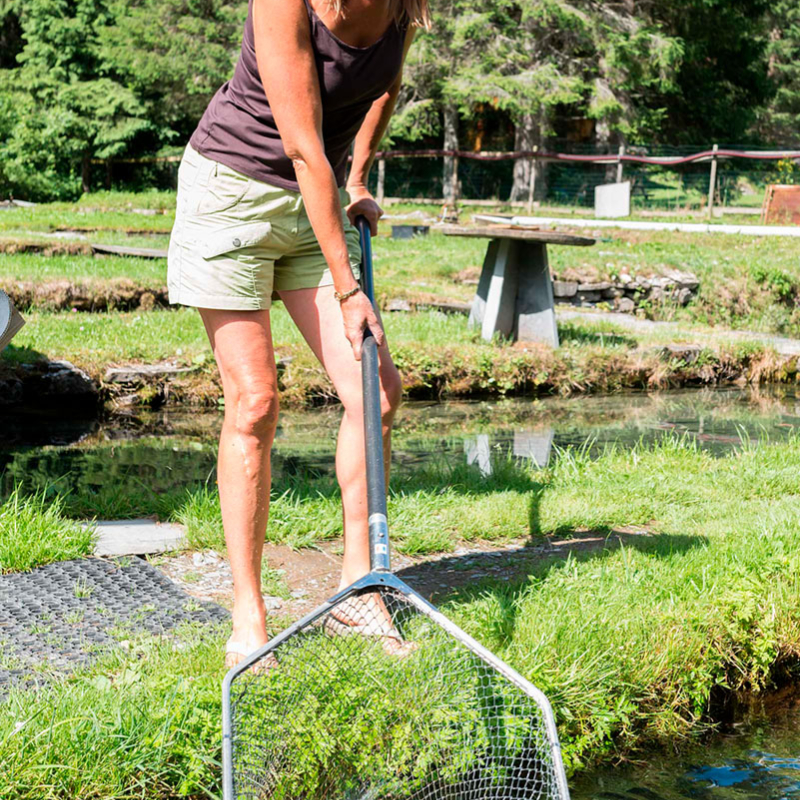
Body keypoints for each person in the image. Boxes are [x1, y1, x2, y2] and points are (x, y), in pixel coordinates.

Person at [167, 0, 429, 668]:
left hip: (313, 206)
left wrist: (361, 174)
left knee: (376, 395)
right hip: (234, 197)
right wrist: (348, 289)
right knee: (255, 402)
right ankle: (248, 615)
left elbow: (386, 87)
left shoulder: (401, 11)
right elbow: (303, 145)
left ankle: (355, 593)